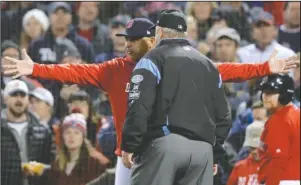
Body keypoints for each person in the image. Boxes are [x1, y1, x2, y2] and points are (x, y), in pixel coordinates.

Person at [3, 17, 299, 185]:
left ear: (153, 40)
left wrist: (263, 68)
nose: (127, 43)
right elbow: (75, 71)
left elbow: (224, 70)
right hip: (130, 156)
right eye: (126, 38)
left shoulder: (175, 62)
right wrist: (35, 69)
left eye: (134, 38)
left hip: (167, 152)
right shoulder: (114, 69)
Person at [121, 9, 230, 185]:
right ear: (183, 33)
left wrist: (129, 145)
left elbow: (139, 107)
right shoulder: (209, 65)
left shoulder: (152, 59)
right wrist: (215, 153)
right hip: (203, 152)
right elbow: (223, 116)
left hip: (165, 146)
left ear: (160, 32)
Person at [1, 80, 53, 185]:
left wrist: (41, 169)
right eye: (14, 95)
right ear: (5, 99)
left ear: (28, 100)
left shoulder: (43, 131)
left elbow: (53, 165)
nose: (19, 99)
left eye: (23, 95)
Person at [257, 74, 300, 185]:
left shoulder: (280, 119)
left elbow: (278, 160)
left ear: (285, 95)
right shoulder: (296, 114)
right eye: (264, 92)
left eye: (271, 92)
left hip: (283, 180)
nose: (265, 96)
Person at [45, 113, 107, 185]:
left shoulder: (96, 163)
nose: (72, 136)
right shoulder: (56, 165)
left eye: (76, 133)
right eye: (68, 132)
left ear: (83, 137)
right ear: (63, 136)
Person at [28, 2, 94, 64]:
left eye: (64, 12)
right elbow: (29, 73)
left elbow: (93, 71)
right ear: (49, 17)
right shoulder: (36, 44)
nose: (60, 16)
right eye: (56, 12)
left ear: (71, 17)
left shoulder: (83, 44)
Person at [227, 120, 264, 185]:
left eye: (259, 147)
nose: (255, 151)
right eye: (252, 148)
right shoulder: (240, 167)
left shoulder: (276, 167)